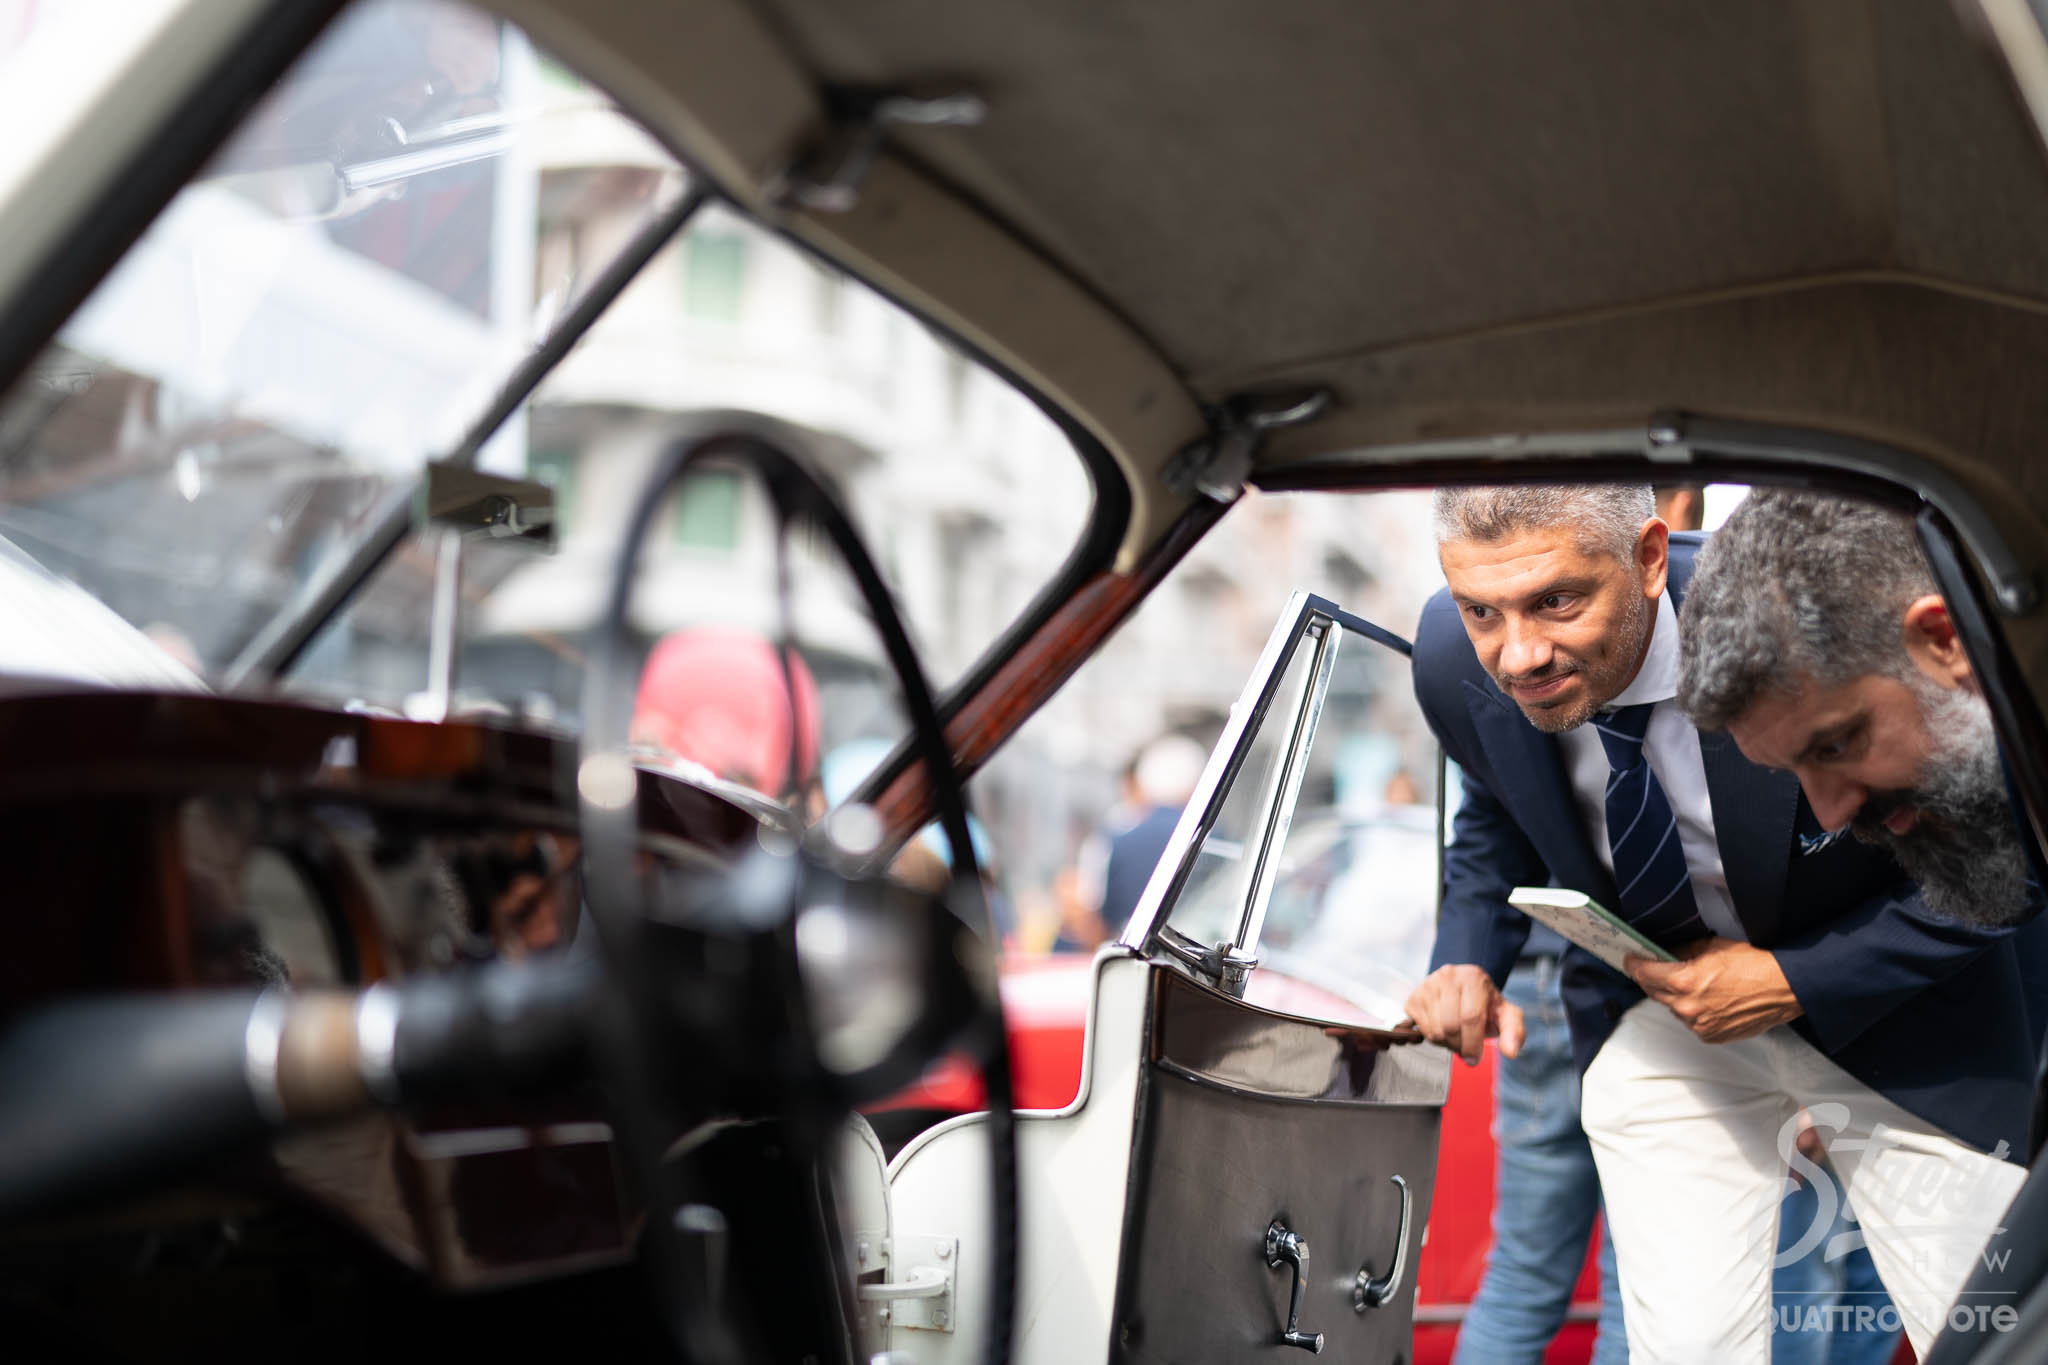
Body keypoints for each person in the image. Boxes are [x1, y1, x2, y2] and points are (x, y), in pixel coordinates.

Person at [1401, 484, 2033, 1362]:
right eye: (1482, 609)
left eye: (1558, 600)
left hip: (1895, 1008)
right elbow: (1497, 808)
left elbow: (2010, 849)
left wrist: (1792, 980)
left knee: (1988, 1326)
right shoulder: (1447, 658)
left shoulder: (1793, 619)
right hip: (1661, 1015)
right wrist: (1469, 955)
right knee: (1685, 1346)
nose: (1520, 653)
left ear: (1650, 557)